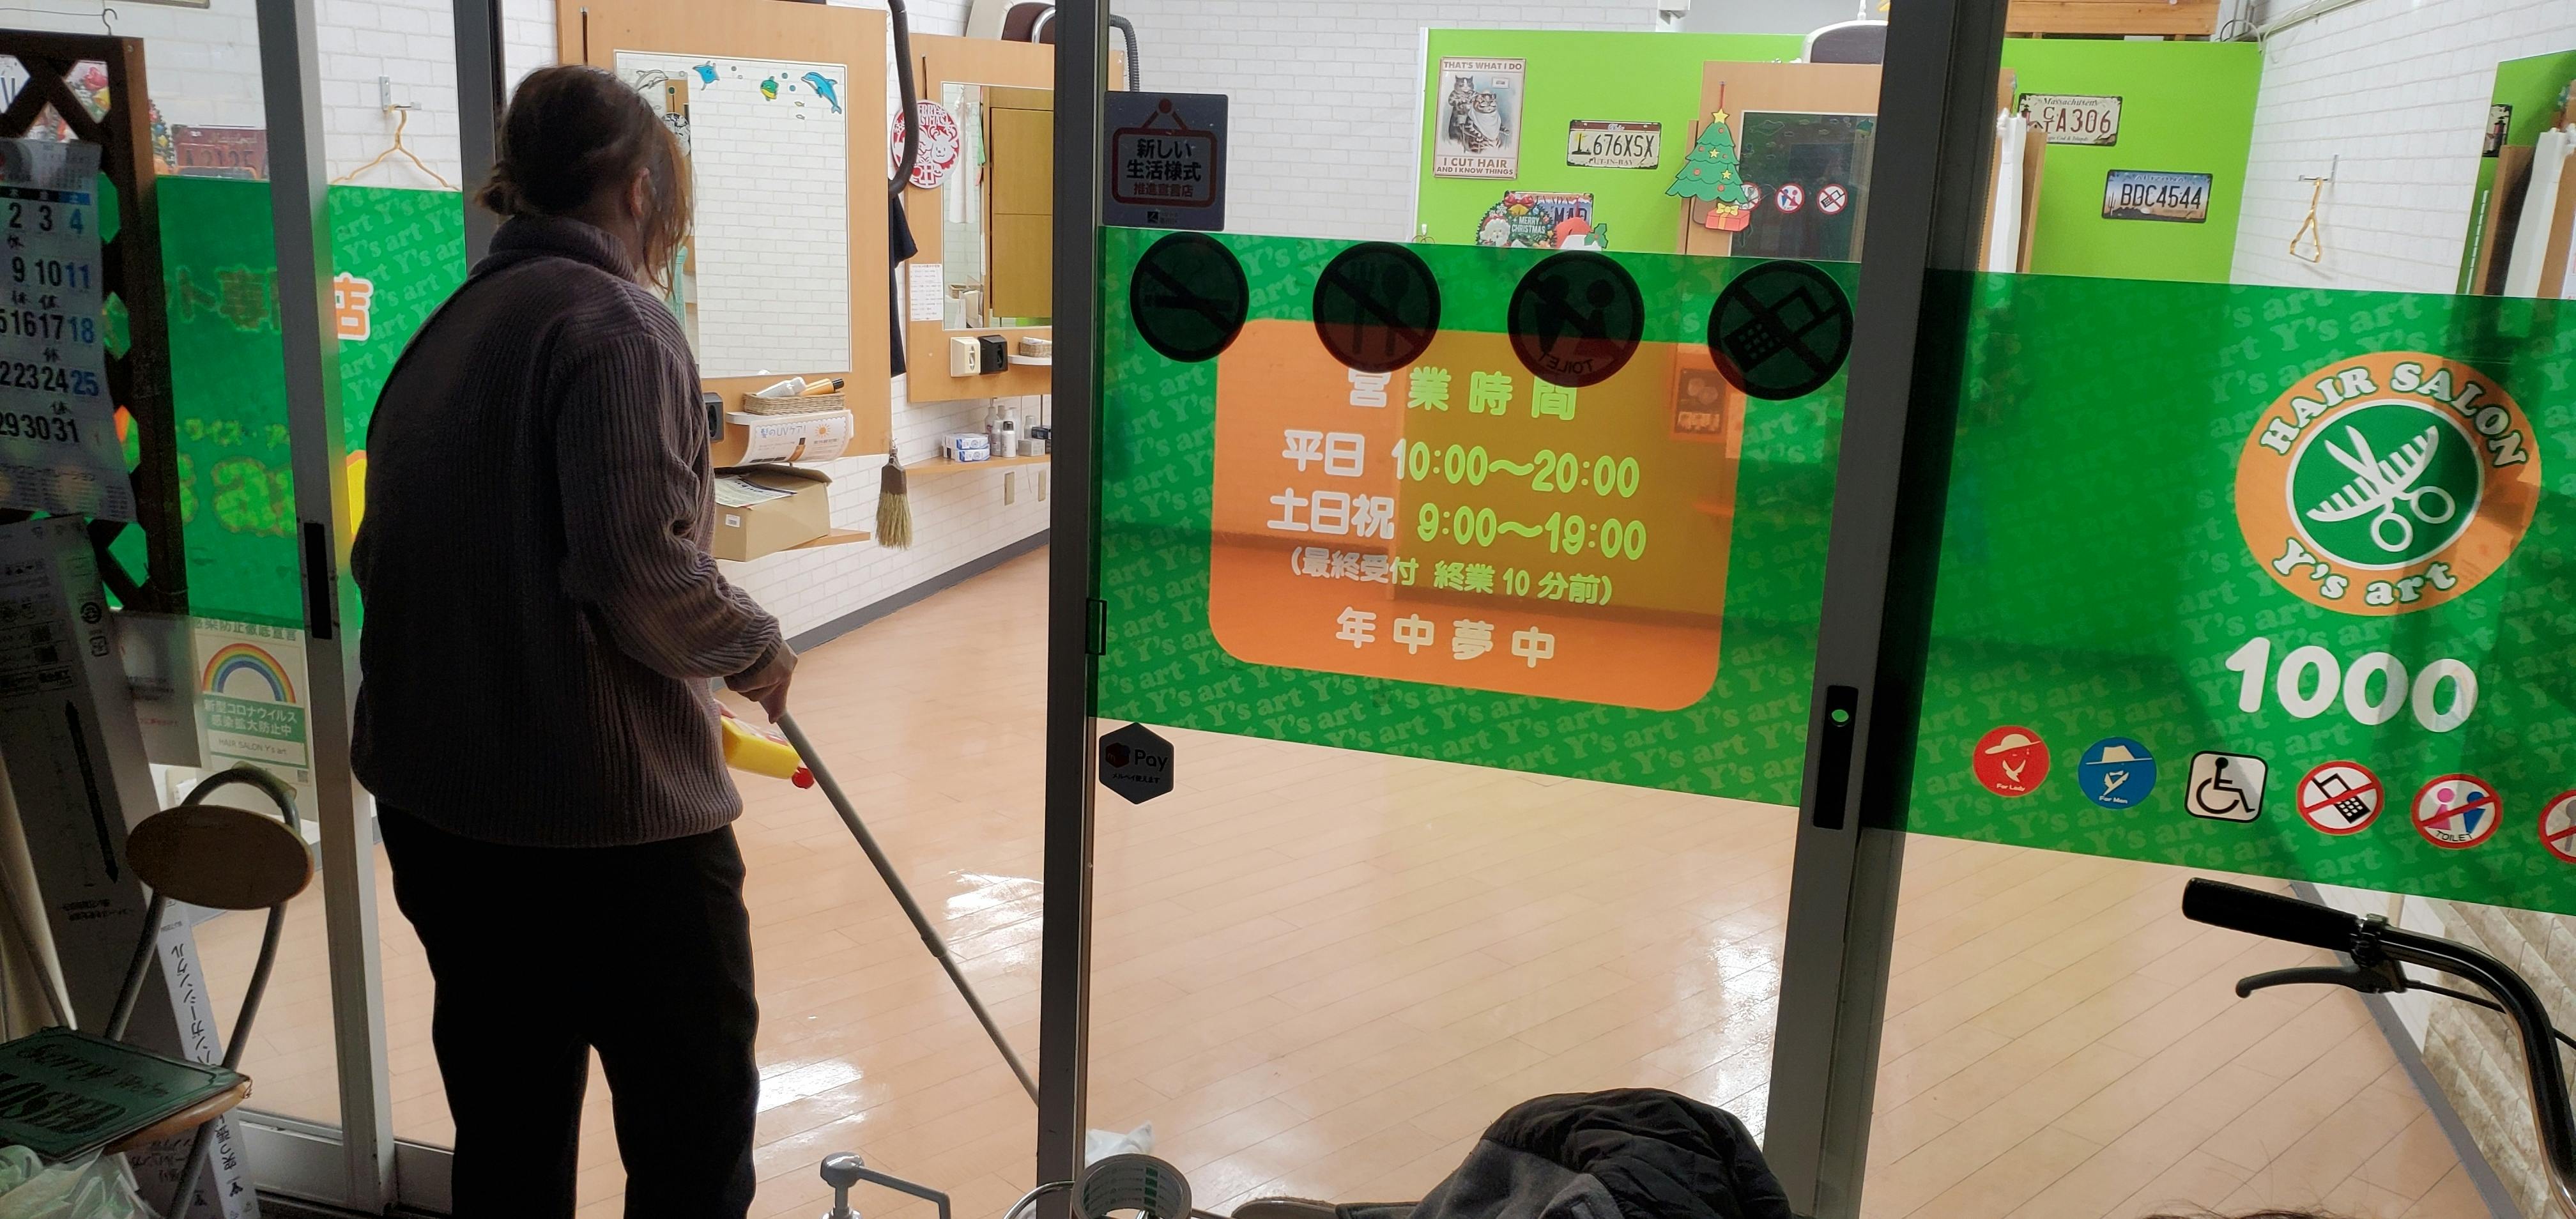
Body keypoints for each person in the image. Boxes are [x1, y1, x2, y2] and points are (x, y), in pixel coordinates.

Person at [351, 63, 794, 1219]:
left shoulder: (450, 326)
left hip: (446, 816)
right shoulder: (616, 324)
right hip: (605, 831)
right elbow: (641, 572)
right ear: (641, 189)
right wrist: (753, 646)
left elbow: (378, 559)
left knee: (507, 1131)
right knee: (692, 1134)